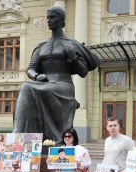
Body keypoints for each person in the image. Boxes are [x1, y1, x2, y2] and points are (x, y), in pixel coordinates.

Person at [13, 6, 100, 144]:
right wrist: (36, 76)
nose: (48, 20)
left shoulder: (72, 44)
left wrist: (73, 58)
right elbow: (31, 68)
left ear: (61, 21)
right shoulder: (42, 45)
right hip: (44, 84)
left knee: (28, 88)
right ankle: (19, 138)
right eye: (47, 17)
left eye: (52, 17)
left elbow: (83, 72)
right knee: (26, 87)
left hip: (63, 86)